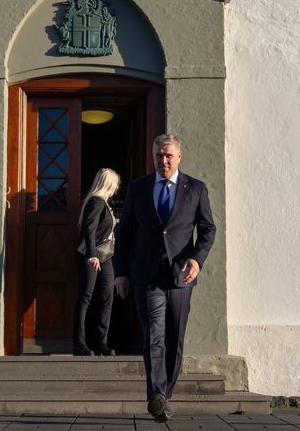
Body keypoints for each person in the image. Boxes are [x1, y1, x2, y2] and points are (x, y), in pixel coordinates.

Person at [114, 134, 216, 422]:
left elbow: (208, 229)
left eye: (169, 155)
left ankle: (165, 394)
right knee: (154, 336)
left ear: (179, 157)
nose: (164, 161)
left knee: (174, 337)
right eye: (159, 155)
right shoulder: (138, 188)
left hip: (181, 275)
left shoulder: (195, 189)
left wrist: (197, 259)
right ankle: (157, 394)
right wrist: (121, 272)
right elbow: (124, 233)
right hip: (147, 274)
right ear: (153, 157)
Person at [73, 167, 121, 356]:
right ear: (109, 183)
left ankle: (101, 343)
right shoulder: (96, 201)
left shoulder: (105, 204)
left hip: (106, 256)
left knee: (107, 297)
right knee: (85, 297)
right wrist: (91, 255)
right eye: (116, 183)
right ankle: (79, 344)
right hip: (91, 255)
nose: (117, 187)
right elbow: (89, 230)